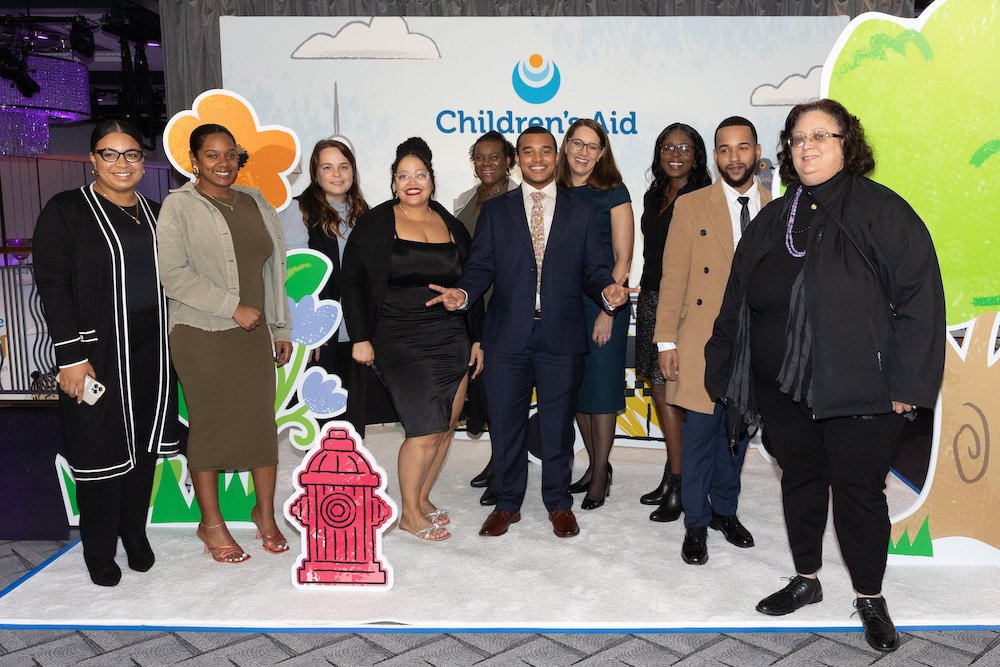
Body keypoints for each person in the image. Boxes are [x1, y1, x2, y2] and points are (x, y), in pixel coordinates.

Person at [705, 99, 945, 652]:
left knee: (859, 492)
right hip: (782, 390)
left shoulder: (884, 212)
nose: (807, 146)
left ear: (847, 143)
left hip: (863, 389)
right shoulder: (775, 216)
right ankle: (807, 579)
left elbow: (920, 301)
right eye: (797, 138)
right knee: (801, 482)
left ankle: (869, 596)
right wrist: (723, 367)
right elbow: (738, 296)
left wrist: (909, 388)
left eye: (821, 136)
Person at [427, 126, 634, 539]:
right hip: (507, 335)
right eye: (528, 152)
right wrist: (463, 295)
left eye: (545, 151)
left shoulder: (579, 211)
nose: (537, 159)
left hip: (561, 334)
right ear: (516, 159)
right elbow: (481, 267)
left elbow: (593, 269)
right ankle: (507, 503)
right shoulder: (497, 210)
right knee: (506, 424)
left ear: (555, 157)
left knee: (558, 425)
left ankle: (558, 503)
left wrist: (608, 291)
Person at [33, 119, 179, 586]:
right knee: (98, 450)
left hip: (152, 353)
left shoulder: (157, 213)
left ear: (143, 160)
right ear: (92, 158)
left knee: (143, 449)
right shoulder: (66, 210)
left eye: (132, 154)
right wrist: (71, 357)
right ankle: (99, 548)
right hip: (95, 354)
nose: (122, 163)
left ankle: (134, 534)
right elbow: (53, 286)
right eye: (110, 153)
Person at [157, 123, 292, 564]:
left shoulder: (255, 202)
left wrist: (281, 326)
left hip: (255, 334)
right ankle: (211, 523)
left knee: (259, 423)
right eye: (212, 155)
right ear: (193, 160)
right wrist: (230, 306)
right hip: (200, 334)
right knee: (211, 424)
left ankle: (264, 515)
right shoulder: (178, 206)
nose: (223, 163)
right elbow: (172, 274)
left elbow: (275, 271)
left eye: (231, 154)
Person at [341, 137, 483, 542]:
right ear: (393, 184)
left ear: (432, 180)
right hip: (396, 335)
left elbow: (471, 282)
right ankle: (408, 514)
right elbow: (352, 281)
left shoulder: (450, 223)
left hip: (450, 335)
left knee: (445, 423)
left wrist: (476, 338)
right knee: (423, 427)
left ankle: (420, 499)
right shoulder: (376, 223)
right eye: (403, 176)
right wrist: (361, 337)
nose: (412, 182)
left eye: (419, 174)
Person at [654, 116, 771, 565]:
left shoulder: (775, 206)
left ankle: (726, 511)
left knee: (737, 435)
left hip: (753, 341)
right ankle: (696, 524)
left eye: (742, 148)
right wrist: (666, 342)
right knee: (701, 435)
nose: (734, 157)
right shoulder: (693, 204)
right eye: (724, 149)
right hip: (702, 336)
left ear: (756, 152)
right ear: (716, 155)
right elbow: (674, 276)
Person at [278, 139, 394, 437]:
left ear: (353, 171)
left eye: (344, 166)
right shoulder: (299, 210)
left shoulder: (365, 213)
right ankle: (321, 482)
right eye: (327, 167)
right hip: (319, 336)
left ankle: (349, 480)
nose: (337, 174)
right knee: (319, 419)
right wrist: (307, 333)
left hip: (357, 333)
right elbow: (297, 274)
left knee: (352, 418)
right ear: (315, 173)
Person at [552, 119, 633, 511]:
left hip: (605, 303)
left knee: (601, 394)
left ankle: (600, 473)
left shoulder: (613, 191)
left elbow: (624, 258)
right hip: (565, 306)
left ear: (602, 153)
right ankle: (594, 464)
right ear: (566, 146)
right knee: (578, 392)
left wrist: (608, 310)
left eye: (592, 146)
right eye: (577, 143)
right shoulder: (552, 190)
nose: (583, 152)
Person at [635, 123, 712, 522]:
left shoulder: (702, 198)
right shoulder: (654, 195)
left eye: (684, 147)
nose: (675, 153)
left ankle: (682, 482)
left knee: (675, 390)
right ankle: (673, 471)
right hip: (651, 298)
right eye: (667, 146)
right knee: (660, 388)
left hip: (685, 305)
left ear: (697, 154)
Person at [453, 131, 519, 506]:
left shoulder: (520, 201)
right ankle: (498, 461)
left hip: (503, 309)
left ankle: (504, 467)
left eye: (495, 157)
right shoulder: (465, 200)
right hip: (470, 308)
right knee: (486, 392)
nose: (487, 163)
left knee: (502, 394)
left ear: (509, 160)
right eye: (479, 157)